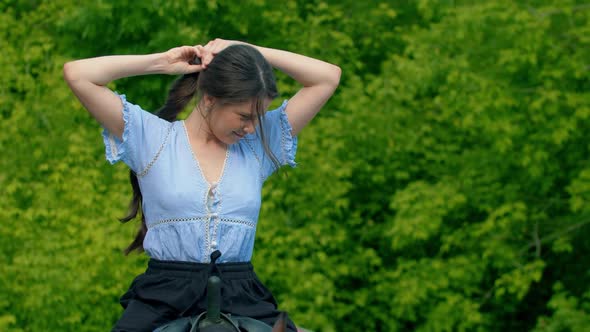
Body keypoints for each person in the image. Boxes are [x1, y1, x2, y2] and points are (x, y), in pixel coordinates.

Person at [63, 38, 341, 332]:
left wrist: (247, 51)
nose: (252, 127)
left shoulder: (257, 145)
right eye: (245, 116)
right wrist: (159, 62)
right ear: (209, 99)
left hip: (242, 296)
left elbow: (326, 77)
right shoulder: (153, 139)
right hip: (163, 299)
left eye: (258, 118)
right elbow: (78, 74)